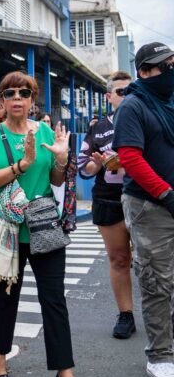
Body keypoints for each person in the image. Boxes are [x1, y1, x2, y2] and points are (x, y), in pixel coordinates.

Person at [0, 71, 88, 377]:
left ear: (32, 100)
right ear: (1, 100)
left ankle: (65, 374)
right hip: (7, 229)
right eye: (10, 93)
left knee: (54, 300)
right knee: (6, 296)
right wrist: (22, 164)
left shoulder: (45, 132)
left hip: (44, 227)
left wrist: (62, 158)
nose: (17, 98)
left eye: (24, 93)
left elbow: (55, 180)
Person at [113, 42, 174, 377]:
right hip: (150, 205)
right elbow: (131, 159)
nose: (170, 71)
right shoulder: (133, 105)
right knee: (156, 282)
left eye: (173, 63)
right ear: (144, 72)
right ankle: (160, 356)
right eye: (164, 66)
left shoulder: (170, 101)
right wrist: (166, 193)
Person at [77, 71, 135, 340]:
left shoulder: (146, 119)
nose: (127, 97)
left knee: (153, 261)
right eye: (121, 92)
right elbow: (84, 168)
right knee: (119, 258)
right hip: (109, 200)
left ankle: (161, 313)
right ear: (109, 96)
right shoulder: (98, 127)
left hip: (144, 199)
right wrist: (99, 163)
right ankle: (126, 314)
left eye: (131, 91)